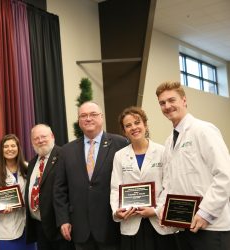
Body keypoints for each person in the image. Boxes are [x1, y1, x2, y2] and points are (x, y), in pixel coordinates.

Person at [156, 81, 230, 250]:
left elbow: (225, 175)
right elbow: (169, 182)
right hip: (182, 227)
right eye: (162, 103)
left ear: (184, 100)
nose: (167, 106)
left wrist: (206, 213)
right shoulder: (169, 142)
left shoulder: (203, 130)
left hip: (210, 227)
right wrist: (163, 209)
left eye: (171, 100)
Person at [54, 101, 128, 250]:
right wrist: (63, 220)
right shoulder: (66, 151)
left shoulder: (120, 144)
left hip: (111, 227)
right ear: (79, 121)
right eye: (83, 115)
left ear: (101, 117)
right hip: (80, 229)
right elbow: (59, 189)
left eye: (93, 114)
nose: (88, 118)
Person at [110, 106, 178, 250]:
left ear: (145, 125)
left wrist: (155, 210)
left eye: (137, 122)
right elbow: (115, 188)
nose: (133, 127)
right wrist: (117, 211)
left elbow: (170, 185)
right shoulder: (119, 156)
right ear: (124, 131)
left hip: (159, 222)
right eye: (128, 125)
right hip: (131, 222)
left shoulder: (162, 151)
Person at [25, 124, 75, 250]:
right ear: (32, 141)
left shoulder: (64, 155)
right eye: (36, 138)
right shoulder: (32, 163)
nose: (40, 140)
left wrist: (65, 220)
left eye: (43, 136)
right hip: (40, 227)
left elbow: (70, 191)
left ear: (52, 136)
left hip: (60, 227)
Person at [0, 134, 35, 250]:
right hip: (6, 232)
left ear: (18, 148)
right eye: (6, 146)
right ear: (1, 150)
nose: (10, 149)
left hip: (28, 230)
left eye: (13, 146)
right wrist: (1, 209)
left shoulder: (28, 168)